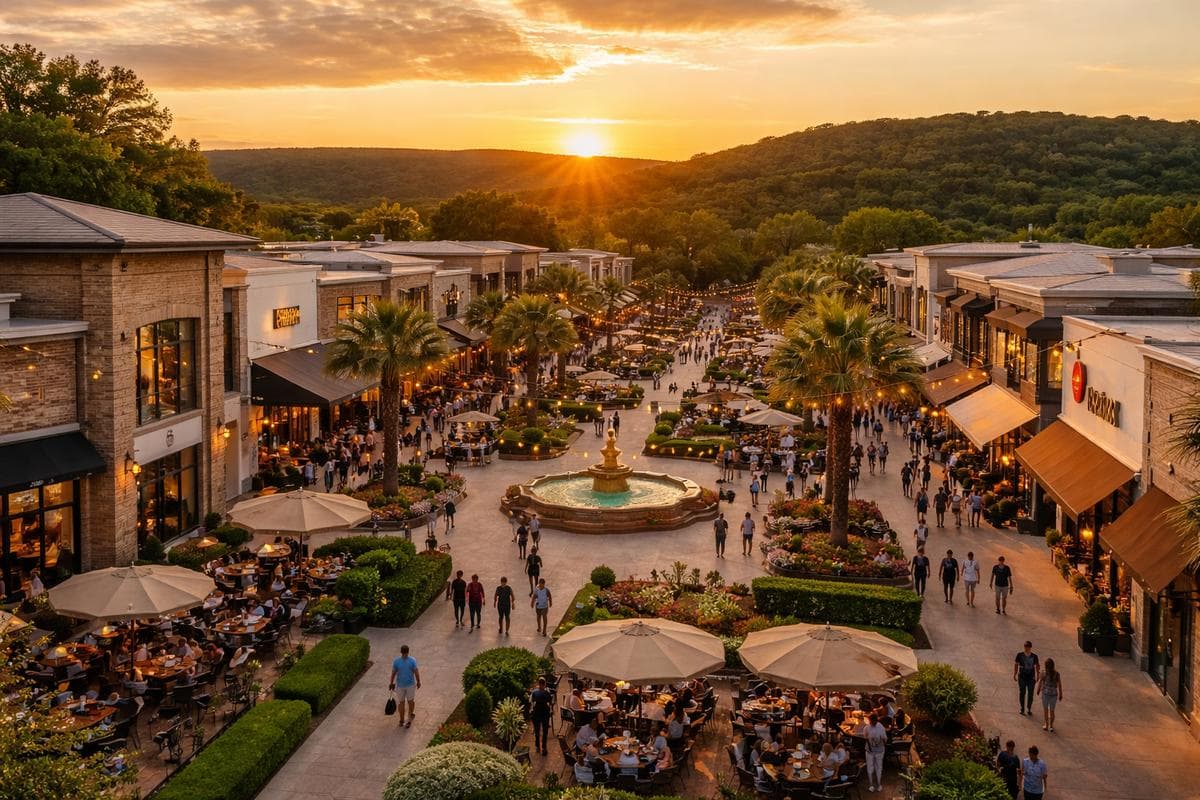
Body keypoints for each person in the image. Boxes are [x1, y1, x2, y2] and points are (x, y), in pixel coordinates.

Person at [389, 644, 421, 728]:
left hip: (402, 686)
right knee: (409, 702)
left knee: (403, 703)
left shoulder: (397, 661)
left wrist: (391, 683)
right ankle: (407, 720)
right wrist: (418, 682)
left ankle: (403, 720)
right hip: (408, 686)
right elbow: (416, 672)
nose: (404, 655)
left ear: (401, 652)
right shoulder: (411, 660)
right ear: (407, 652)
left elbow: (393, 673)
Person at [1037, 657, 1063, 732]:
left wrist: (1038, 690)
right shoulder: (1057, 674)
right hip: (1054, 695)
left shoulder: (1043, 673)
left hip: (1045, 694)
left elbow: (1040, 682)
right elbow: (1059, 684)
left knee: (1045, 710)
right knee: (1052, 711)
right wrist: (1061, 694)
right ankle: (1051, 726)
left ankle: (1046, 724)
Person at [1014, 641, 1040, 716]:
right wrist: (1015, 673)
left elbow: (1037, 666)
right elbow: (1016, 664)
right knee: (1022, 693)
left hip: (1031, 678)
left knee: (1030, 694)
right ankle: (1022, 708)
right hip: (1022, 677)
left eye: (1028, 647)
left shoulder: (1034, 656)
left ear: (1030, 647)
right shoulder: (1019, 655)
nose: (1026, 648)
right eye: (1025, 646)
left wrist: (1038, 675)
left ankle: (1029, 708)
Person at [864, 713, 888, 793]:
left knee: (874, 767)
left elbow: (865, 737)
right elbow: (885, 739)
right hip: (874, 751)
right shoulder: (879, 727)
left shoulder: (868, 728)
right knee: (875, 767)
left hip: (874, 751)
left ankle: (875, 784)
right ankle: (875, 784)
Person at [530, 677, 553, 755]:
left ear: (538, 684)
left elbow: (533, 702)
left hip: (536, 713)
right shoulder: (546, 693)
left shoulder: (534, 692)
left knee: (537, 731)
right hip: (545, 713)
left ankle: (537, 746)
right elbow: (550, 702)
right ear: (545, 684)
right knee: (545, 731)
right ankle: (544, 747)